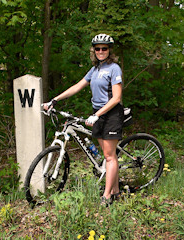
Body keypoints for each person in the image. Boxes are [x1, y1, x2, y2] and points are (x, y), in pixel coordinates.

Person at [43, 33, 124, 206]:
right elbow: (77, 86)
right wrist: (54, 100)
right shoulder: (95, 69)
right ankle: (116, 190)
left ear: (109, 50)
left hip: (110, 114)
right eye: (97, 49)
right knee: (108, 155)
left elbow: (116, 98)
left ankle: (107, 196)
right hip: (98, 114)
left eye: (104, 48)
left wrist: (97, 115)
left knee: (110, 157)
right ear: (93, 51)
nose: (101, 51)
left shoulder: (114, 68)